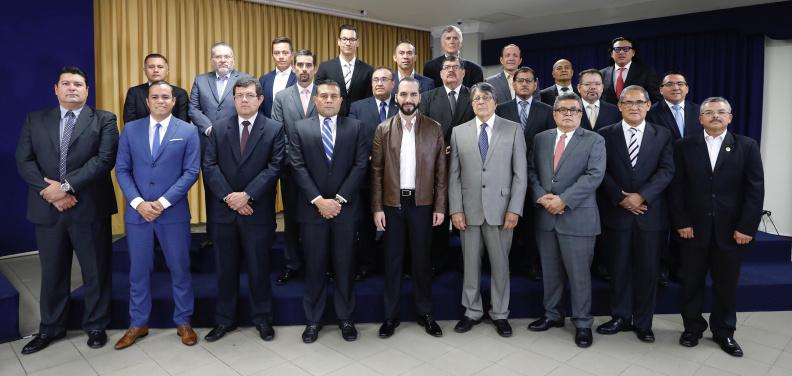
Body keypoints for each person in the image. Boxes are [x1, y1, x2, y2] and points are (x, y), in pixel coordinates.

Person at [16, 66, 118, 354]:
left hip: (89, 207)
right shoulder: (35, 119)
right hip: (47, 208)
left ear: (87, 90)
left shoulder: (104, 120)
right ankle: (50, 327)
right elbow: (24, 160)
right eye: (66, 84)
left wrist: (67, 187)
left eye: (78, 84)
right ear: (56, 89)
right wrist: (50, 192)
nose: (72, 88)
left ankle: (97, 325)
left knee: (96, 270)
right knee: (52, 272)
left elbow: (104, 159)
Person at [670, 97, 764, 357]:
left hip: (732, 232)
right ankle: (692, 328)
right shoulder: (683, 146)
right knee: (691, 282)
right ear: (699, 118)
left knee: (726, 285)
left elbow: (755, 190)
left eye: (721, 112)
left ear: (730, 117)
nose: (715, 116)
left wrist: (747, 227)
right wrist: (682, 222)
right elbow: (676, 188)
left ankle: (724, 332)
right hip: (692, 230)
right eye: (709, 112)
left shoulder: (747, 146)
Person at [114, 81, 201, 349]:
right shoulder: (130, 129)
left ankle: (183, 321)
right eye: (155, 97)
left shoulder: (187, 131)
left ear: (174, 101)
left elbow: (191, 172)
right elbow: (122, 169)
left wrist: (162, 203)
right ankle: (138, 322)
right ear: (147, 101)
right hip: (138, 213)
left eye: (166, 97)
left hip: (172, 213)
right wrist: (139, 203)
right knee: (139, 270)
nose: (161, 101)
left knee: (180, 268)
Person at [202, 78, 285, 343]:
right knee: (225, 269)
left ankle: (263, 319)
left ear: (261, 99)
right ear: (233, 99)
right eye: (239, 95)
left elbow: (275, 167)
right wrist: (230, 197)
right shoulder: (218, 128)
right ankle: (225, 320)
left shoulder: (274, 129)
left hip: (257, 211)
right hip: (225, 212)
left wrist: (247, 195)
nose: (244, 100)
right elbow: (210, 166)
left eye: (250, 95)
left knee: (259, 268)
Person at [289, 80, 368, 343]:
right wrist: (318, 200)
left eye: (334, 96)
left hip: (345, 210)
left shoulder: (355, 127)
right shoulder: (300, 128)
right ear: (315, 100)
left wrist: (339, 199)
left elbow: (360, 165)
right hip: (313, 211)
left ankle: (346, 318)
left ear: (341, 100)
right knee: (315, 266)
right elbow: (297, 166)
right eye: (324, 96)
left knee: (345, 266)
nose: (329, 100)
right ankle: (313, 320)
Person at [595, 85, 674, 343]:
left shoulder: (662, 134)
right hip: (616, 213)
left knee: (647, 270)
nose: (634, 107)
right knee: (618, 268)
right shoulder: (605, 134)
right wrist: (620, 198)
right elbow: (600, 171)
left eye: (639, 102)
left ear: (649, 105)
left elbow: (666, 170)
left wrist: (641, 196)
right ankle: (619, 316)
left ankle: (643, 322)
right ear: (619, 106)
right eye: (628, 102)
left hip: (649, 214)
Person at [527, 93, 606, 348]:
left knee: (579, 274)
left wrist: (564, 200)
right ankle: (553, 315)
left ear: (581, 114)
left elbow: (594, 175)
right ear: (554, 114)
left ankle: (583, 322)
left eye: (574, 109)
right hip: (545, 217)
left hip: (577, 217)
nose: (568, 113)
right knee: (550, 272)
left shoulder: (595, 140)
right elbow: (531, 170)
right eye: (563, 109)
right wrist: (541, 197)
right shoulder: (541, 139)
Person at [448, 82, 527, 338]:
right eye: (476, 98)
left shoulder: (513, 129)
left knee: (500, 265)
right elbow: (454, 176)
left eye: (485, 97)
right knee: (470, 264)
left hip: (502, 210)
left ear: (495, 102)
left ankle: (500, 313)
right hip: (468, 211)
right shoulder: (459, 132)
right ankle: (472, 311)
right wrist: (455, 210)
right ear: (471, 104)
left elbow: (520, 175)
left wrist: (515, 208)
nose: (480, 102)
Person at [370, 77, 446, 338]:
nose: (408, 100)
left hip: (423, 204)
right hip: (392, 204)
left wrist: (440, 206)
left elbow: (441, 173)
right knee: (392, 262)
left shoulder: (434, 128)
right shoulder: (382, 129)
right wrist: (377, 207)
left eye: (413, 95)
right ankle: (390, 316)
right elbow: (376, 171)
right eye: (403, 95)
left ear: (420, 98)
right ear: (396, 97)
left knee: (422, 261)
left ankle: (425, 313)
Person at [188, 42, 253, 249]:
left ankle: (241, 236)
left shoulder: (245, 80)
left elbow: (249, 107)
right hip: (208, 144)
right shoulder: (200, 80)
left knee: (238, 188)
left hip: (238, 143)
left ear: (233, 59)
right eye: (218, 56)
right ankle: (213, 236)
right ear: (212, 59)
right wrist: (208, 128)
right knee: (213, 190)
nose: (223, 60)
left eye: (227, 56)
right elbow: (193, 108)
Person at [495, 66, 554, 279]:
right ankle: (508, 264)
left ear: (535, 84)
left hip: (537, 175)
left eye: (529, 80)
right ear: (514, 83)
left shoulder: (547, 110)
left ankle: (531, 264)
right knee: (508, 222)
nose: (524, 84)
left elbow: (550, 144)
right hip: (507, 175)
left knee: (532, 223)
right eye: (520, 80)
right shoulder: (501, 109)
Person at [646, 70, 702, 286]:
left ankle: (680, 266)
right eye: (670, 84)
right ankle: (660, 268)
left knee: (685, 224)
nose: (676, 87)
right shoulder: (651, 112)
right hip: (659, 176)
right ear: (661, 90)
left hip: (691, 180)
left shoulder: (699, 112)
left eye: (680, 83)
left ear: (687, 88)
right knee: (660, 226)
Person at [420, 55, 475, 272]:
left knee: (468, 217)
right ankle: (437, 262)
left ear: (463, 72)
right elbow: (421, 132)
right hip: (436, 167)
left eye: (456, 67)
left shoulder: (475, 96)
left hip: (470, 165)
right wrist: (440, 148)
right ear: (440, 73)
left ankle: (468, 264)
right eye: (446, 67)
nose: (451, 70)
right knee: (439, 217)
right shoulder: (427, 97)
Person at [271, 49, 318, 285]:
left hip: (321, 173)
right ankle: (292, 264)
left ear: (315, 69)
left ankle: (317, 266)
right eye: (299, 64)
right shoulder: (282, 96)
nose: (303, 69)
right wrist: (297, 163)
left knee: (316, 221)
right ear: (293, 66)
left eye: (308, 65)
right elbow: (279, 134)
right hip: (291, 170)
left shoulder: (325, 93)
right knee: (291, 220)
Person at [348, 66, 399, 280]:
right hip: (367, 176)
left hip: (397, 178)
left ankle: (393, 265)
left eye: (384, 79)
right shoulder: (357, 107)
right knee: (367, 224)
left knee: (395, 224)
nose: (379, 83)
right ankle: (367, 264)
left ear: (392, 83)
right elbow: (351, 136)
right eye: (375, 79)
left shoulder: (402, 107)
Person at [316, 24, 373, 116]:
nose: (348, 43)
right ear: (338, 41)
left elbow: (369, 100)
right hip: (332, 118)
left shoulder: (368, 70)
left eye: (351, 39)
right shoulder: (325, 67)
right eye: (344, 39)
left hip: (359, 120)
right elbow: (318, 94)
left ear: (357, 42)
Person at [123, 53, 189, 123]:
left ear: (167, 70)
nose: (156, 70)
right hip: (141, 133)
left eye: (160, 67)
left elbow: (183, 122)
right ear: (145, 70)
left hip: (174, 133)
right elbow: (129, 122)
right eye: (151, 67)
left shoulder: (180, 93)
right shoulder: (134, 92)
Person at [600, 37, 660, 104]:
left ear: (633, 53)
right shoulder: (601, 74)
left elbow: (655, 99)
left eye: (626, 49)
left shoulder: (646, 71)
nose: (621, 52)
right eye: (617, 49)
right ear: (611, 54)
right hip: (609, 114)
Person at [423, 25, 484, 89]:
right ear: (442, 43)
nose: (452, 41)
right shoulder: (429, 67)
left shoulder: (475, 70)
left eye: (455, 38)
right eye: (448, 38)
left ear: (461, 43)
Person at [258, 36, 296, 118]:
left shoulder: (299, 80)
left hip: (294, 129)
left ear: (292, 55)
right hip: (268, 128)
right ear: (272, 56)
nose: (281, 56)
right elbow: (259, 107)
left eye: (285, 53)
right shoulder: (264, 80)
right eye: (277, 53)